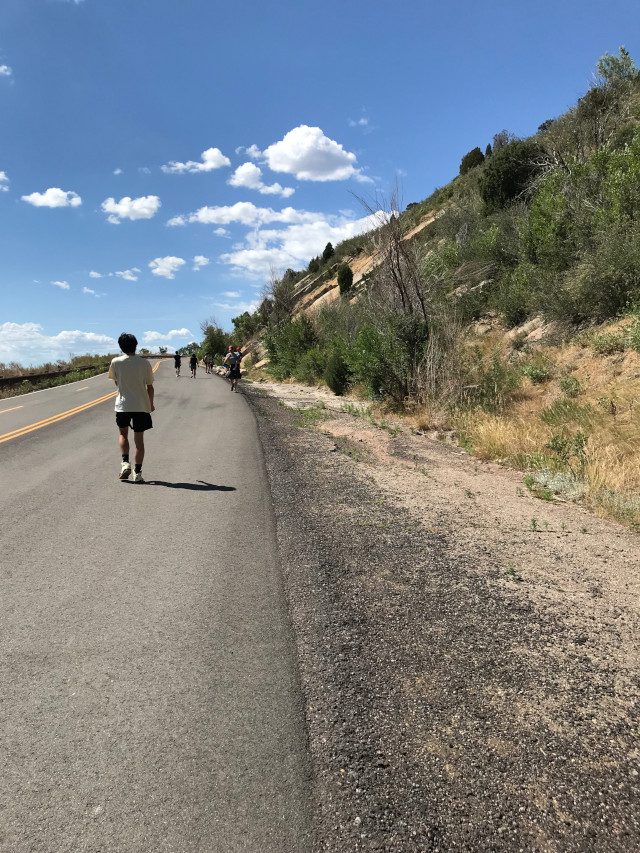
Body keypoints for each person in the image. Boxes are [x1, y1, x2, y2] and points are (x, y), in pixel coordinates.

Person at [108, 332, 155, 483]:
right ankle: (138, 473)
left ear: (121, 347)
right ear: (136, 345)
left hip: (123, 405)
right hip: (141, 405)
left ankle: (125, 464)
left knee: (123, 434)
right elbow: (150, 387)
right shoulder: (144, 363)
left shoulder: (115, 362)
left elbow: (117, 382)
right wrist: (151, 404)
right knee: (139, 441)